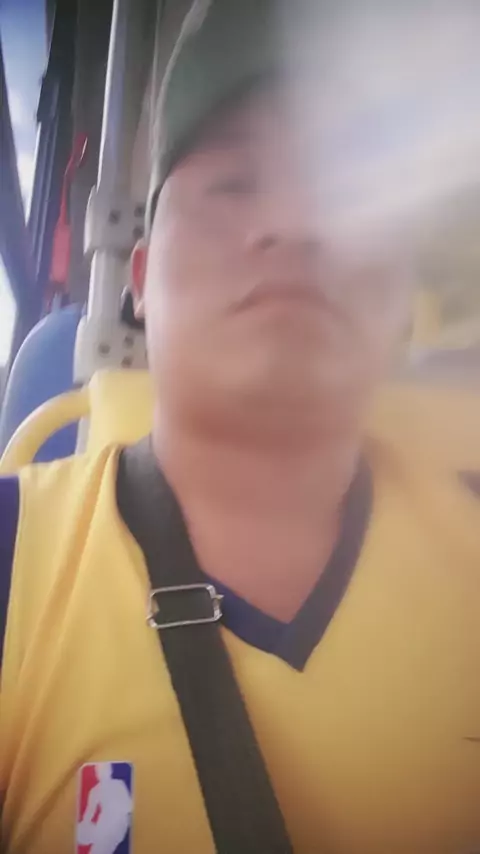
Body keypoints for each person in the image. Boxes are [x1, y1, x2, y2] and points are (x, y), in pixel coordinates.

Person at [1, 1, 480, 852]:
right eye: (233, 184)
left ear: (400, 287)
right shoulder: (14, 559)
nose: (294, 225)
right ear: (141, 278)